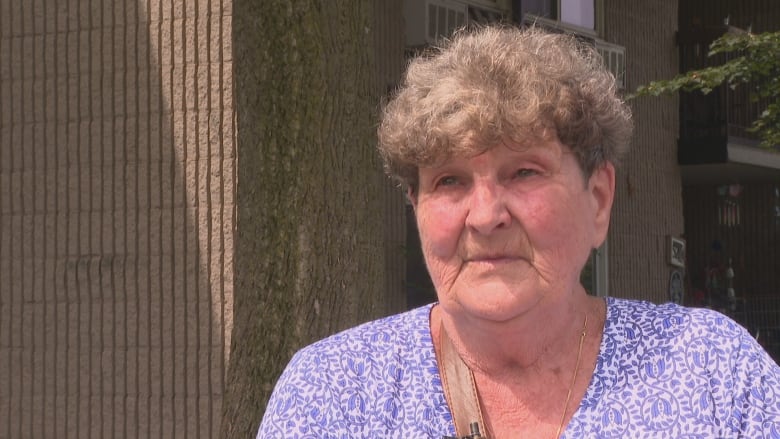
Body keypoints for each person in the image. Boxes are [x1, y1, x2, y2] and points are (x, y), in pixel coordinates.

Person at [257, 25, 780, 438]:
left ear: (598, 199)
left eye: (524, 172)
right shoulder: (330, 394)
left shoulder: (712, 375)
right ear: (416, 206)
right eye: (449, 180)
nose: (485, 216)